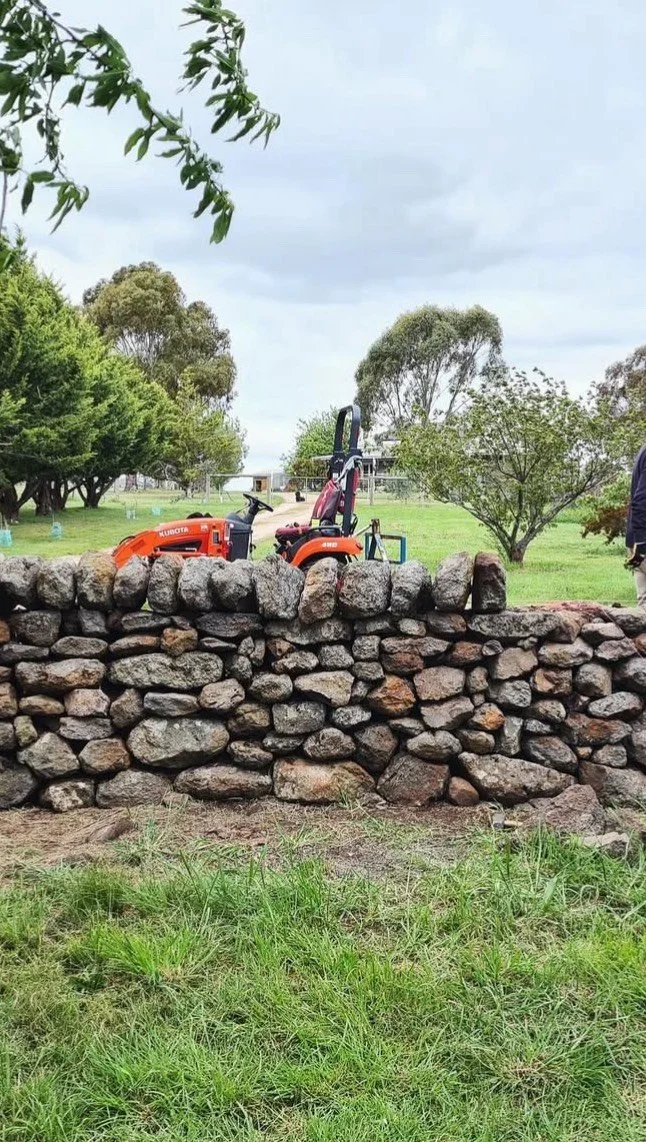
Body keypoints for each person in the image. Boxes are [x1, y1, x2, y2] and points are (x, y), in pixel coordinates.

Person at [626, 444, 646, 605]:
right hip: (642, 540)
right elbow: (640, 501)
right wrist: (641, 542)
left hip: (635, 538)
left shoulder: (643, 450)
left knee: (643, 605)